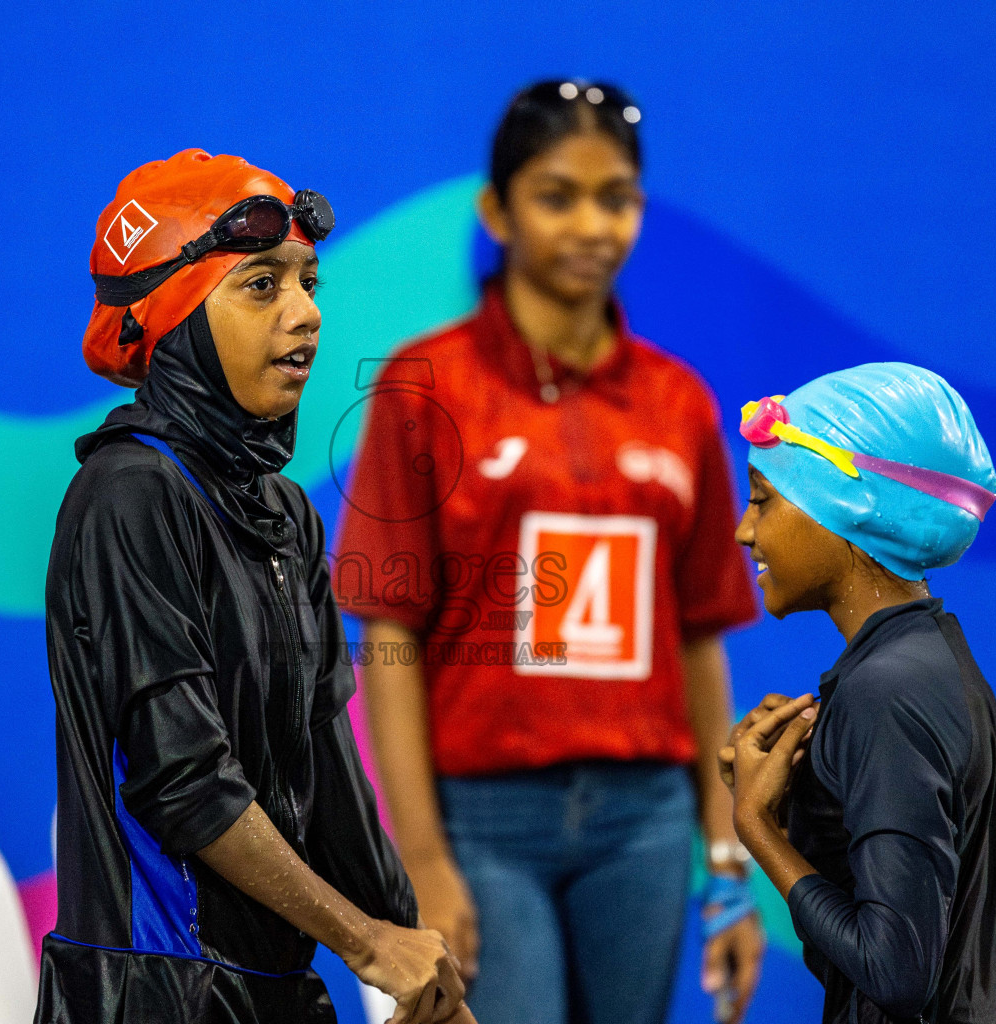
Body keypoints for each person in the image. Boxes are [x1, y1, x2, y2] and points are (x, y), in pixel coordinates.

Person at [335, 80, 765, 1024]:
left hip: (646, 823)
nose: (591, 225)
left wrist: (726, 861)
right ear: (496, 210)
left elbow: (700, 642)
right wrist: (423, 857)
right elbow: (388, 639)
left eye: (616, 198)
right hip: (483, 823)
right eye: (556, 195)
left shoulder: (679, 402)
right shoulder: (423, 386)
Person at [35, 149, 474, 1024]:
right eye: (262, 287)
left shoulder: (280, 510)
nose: (308, 314)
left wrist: (418, 966)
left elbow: (328, 773)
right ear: (174, 322)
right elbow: (184, 784)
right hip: (153, 992)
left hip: (271, 992)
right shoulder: (128, 496)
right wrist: (363, 941)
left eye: (309, 283)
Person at [722, 362, 996, 1023]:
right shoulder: (923, 657)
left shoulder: (886, 691)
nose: (745, 530)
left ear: (848, 506)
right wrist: (796, 811)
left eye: (764, 499)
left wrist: (755, 829)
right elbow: (853, 965)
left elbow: (894, 974)